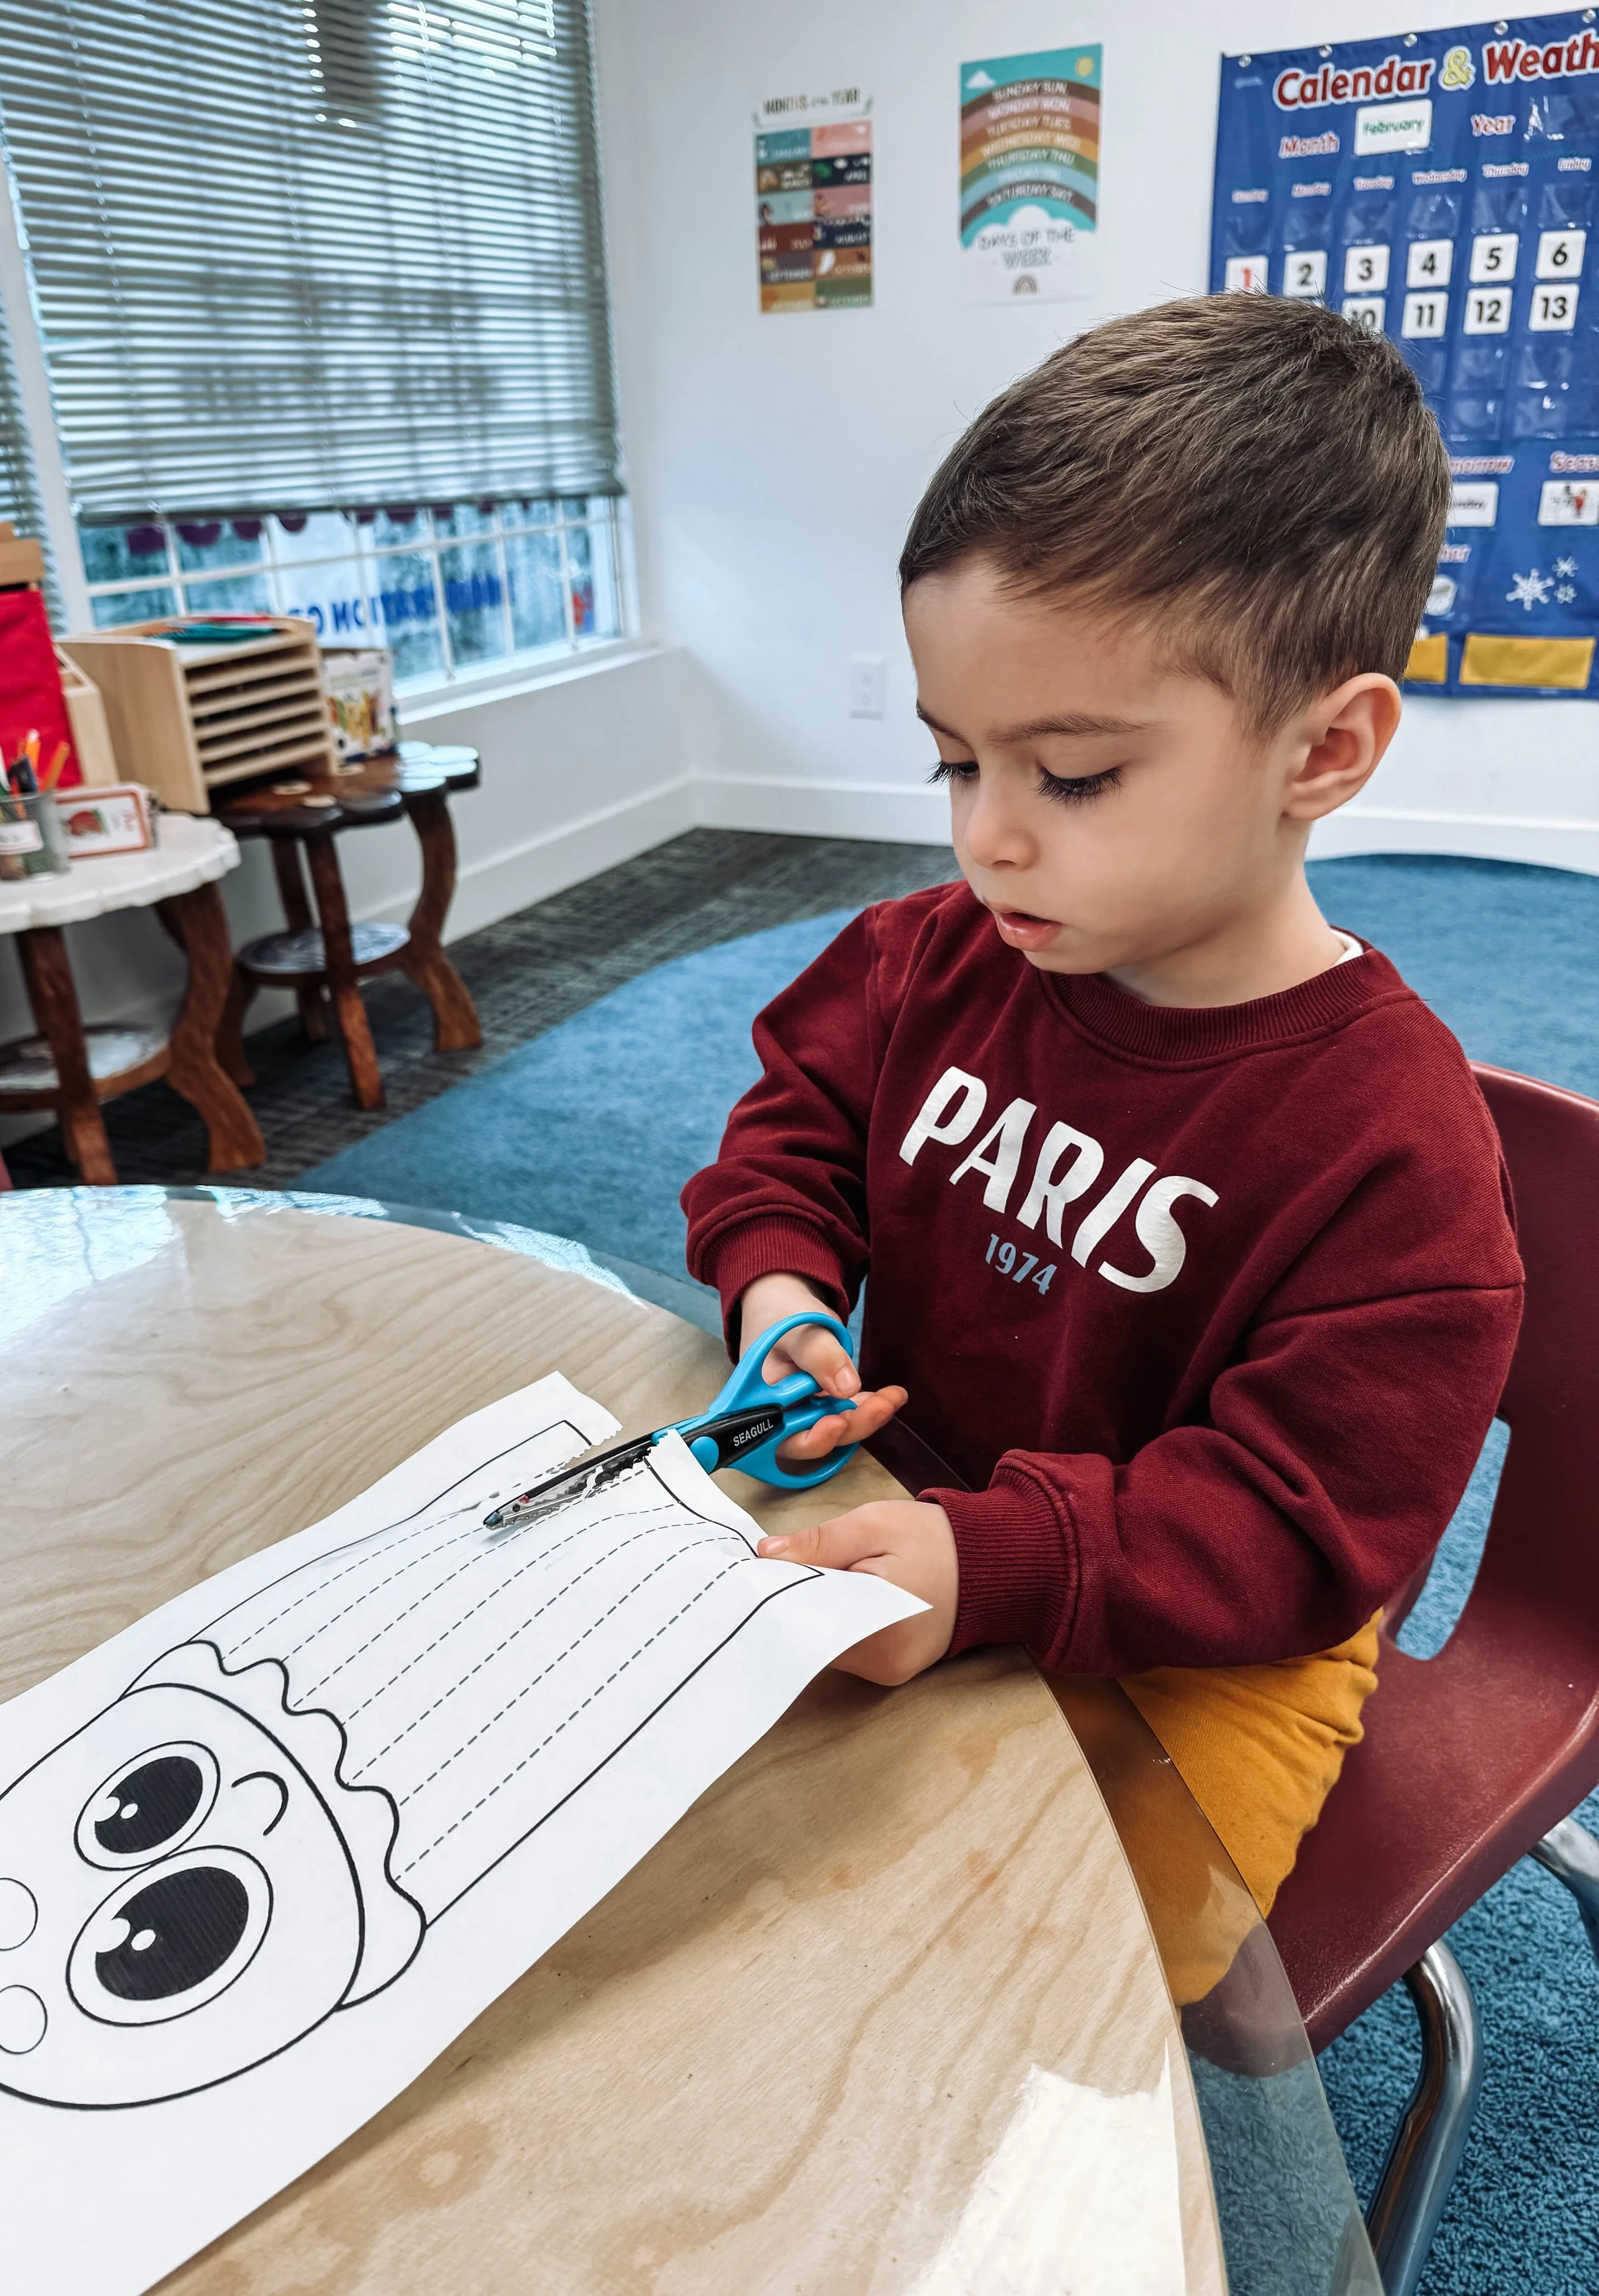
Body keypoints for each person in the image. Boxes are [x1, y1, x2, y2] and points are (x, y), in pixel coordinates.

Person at [679, 293, 1523, 1967]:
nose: (986, 839)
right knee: (706, 1862)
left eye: (1066, 778)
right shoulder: (929, 957)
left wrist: (987, 1561)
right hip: (921, 1507)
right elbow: (787, 1135)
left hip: (1200, 1648)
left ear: (1323, 748)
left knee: (1003, 1987)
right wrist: (780, 1298)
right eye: (952, 762)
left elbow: (1292, 1531)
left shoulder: (1393, 1156)